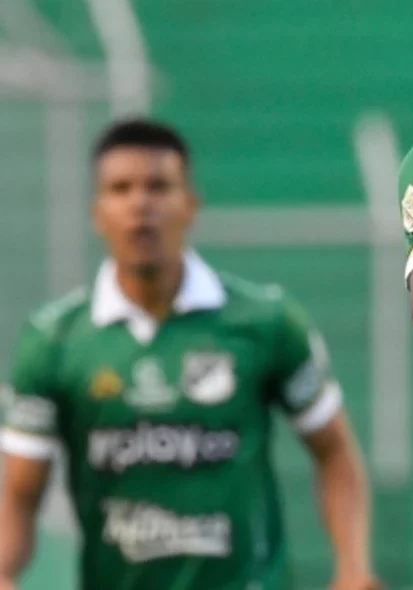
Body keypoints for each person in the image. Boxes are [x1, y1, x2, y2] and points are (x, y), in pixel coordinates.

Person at [0, 120, 378, 590]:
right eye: (121, 189)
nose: (141, 205)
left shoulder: (266, 321)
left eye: (159, 187)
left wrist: (354, 567)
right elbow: (19, 491)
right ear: (98, 213)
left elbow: (334, 450)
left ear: (191, 205)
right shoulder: (54, 340)